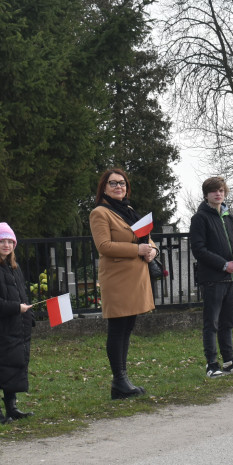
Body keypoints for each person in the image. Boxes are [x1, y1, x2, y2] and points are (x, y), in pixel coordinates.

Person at [90, 168, 158, 397]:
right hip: (117, 279)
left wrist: (153, 251)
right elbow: (104, 246)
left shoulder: (129, 210)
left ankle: (123, 380)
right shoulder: (100, 212)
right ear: (104, 187)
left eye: (122, 183)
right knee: (118, 329)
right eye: (113, 183)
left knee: (128, 327)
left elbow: (147, 238)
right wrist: (137, 249)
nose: (119, 187)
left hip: (136, 277)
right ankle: (119, 380)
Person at [189, 176, 233, 378]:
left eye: (222, 190)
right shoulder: (200, 218)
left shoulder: (229, 218)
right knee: (211, 323)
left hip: (232, 280)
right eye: (214, 191)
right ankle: (212, 364)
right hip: (213, 278)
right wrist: (224, 265)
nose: (218, 194)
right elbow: (199, 249)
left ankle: (230, 360)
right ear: (206, 194)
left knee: (227, 322)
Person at [0, 223, 35, 422]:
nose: (6, 245)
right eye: (2, 241)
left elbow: (21, 294)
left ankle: (12, 407)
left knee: (13, 368)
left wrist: (28, 315)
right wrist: (15, 308)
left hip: (16, 328)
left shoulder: (14, 267)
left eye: (10, 241)